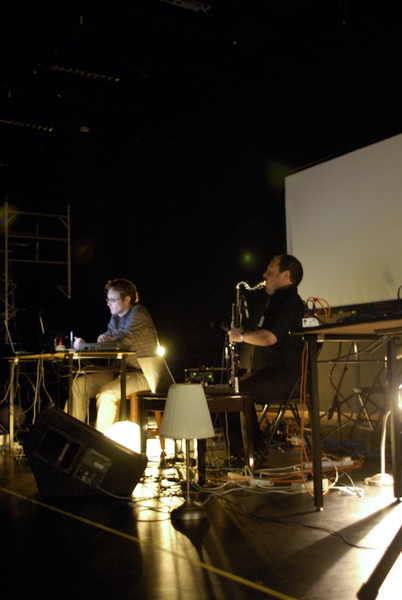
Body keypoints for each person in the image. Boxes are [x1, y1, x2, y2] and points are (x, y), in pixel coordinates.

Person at [227, 254, 305, 457]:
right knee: (229, 390)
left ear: (285, 275)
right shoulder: (275, 300)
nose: (264, 275)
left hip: (285, 379)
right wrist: (251, 372)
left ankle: (250, 454)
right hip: (269, 374)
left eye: (270, 271)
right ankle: (247, 452)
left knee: (236, 395)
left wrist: (241, 337)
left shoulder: (289, 302)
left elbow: (269, 338)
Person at [71, 278, 159, 432]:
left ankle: (99, 443)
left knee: (106, 395)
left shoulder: (138, 313)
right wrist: (85, 345)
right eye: (108, 299)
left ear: (127, 299)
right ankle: (72, 433)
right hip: (122, 371)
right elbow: (109, 341)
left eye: (112, 300)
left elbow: (123, 342)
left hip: (143, 374)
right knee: (79, 385)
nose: (108, 303)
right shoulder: (115, 317)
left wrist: (104, 341)